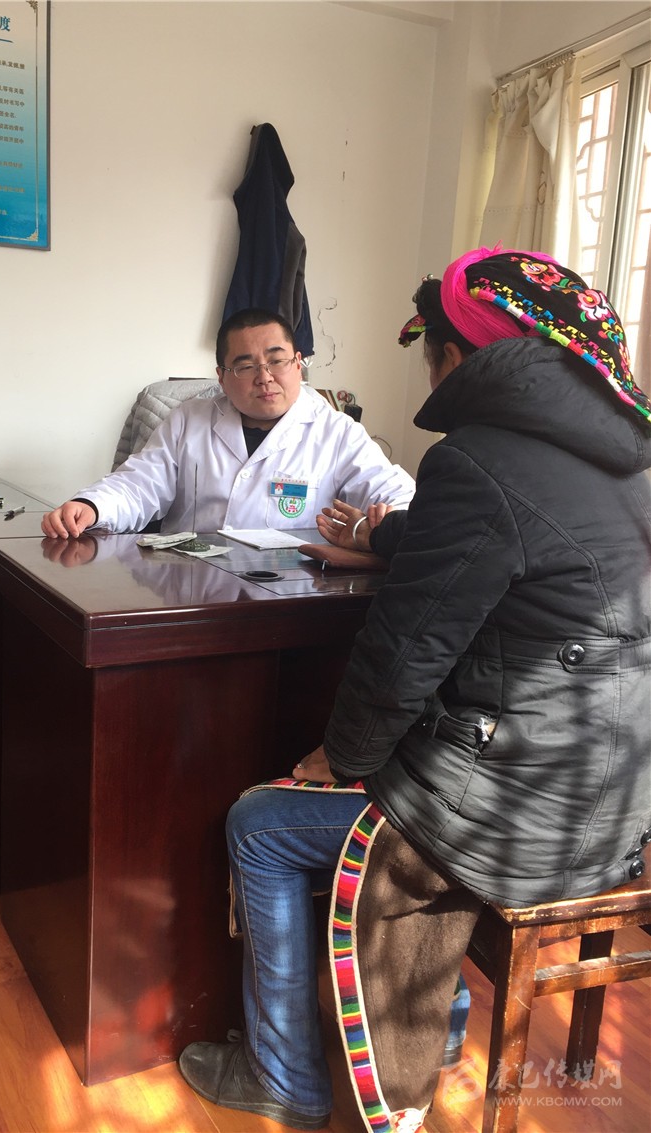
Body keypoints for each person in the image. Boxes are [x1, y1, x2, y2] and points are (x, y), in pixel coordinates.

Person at [178, 247, 651, 1132]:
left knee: (261, 823)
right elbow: (512, 538)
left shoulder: (478, 460)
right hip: (619, 814)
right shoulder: (624, 460)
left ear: (461, 356)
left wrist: (341, 755)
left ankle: (286, 1074)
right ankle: (428, 1038)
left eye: (430, 353)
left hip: (510, 823)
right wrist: (384, 537)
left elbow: (403, 653)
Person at [41, 308, 415, 539]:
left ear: (298, 365)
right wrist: (91, 505)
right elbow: (139, 485)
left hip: (290, 593)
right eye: (246, 366)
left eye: (277, 361)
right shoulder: (189, 420)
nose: (264, 377)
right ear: (221, 376)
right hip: (189, 584)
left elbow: (397, 495)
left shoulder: (336, 432)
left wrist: (387, 521)